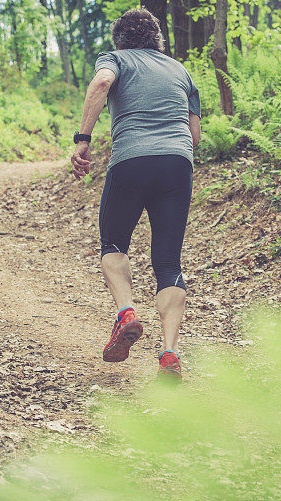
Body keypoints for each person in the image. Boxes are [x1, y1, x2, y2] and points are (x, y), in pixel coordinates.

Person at [71, 9, 201, 380]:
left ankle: (126, 312)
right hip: (178, 164)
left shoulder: (115, 59)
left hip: (131, 160)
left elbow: (100, 85)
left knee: (113, 244)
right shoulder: (181, 71)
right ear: (157, 39)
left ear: (119, 39)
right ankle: (170, 354)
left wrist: (83, 140)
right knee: (168, 262)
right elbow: (194, 135)